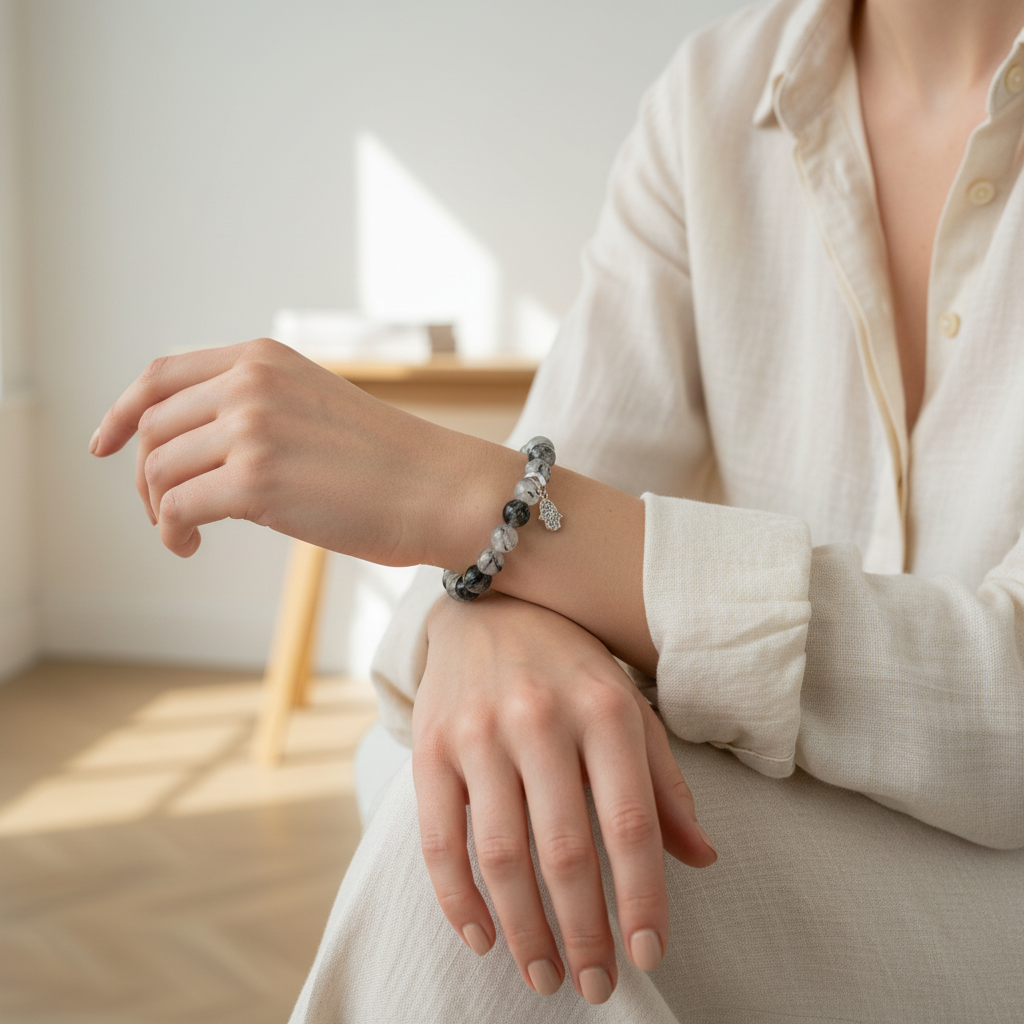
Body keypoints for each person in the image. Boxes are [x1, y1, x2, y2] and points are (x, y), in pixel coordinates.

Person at [92, 0, 1024, 1018]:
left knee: (489, 852)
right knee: (506, 812)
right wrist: (496, 617)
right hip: (817, 815)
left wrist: (454, 495)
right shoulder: (712, 98)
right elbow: (568, 475)